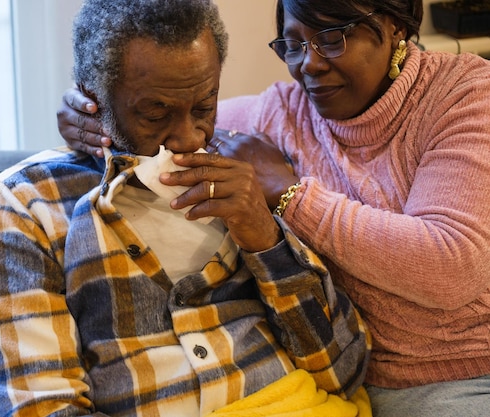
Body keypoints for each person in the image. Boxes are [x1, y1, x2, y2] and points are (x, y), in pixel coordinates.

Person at [56, 0, 490, 416]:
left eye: (334, 37)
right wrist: (91, 114)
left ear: (396, 24)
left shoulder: (464, 93)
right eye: (293, 44)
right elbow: (171, 112)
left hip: (460, 376)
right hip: (342, 382)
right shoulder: (281, 114)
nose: (310, 64)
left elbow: (452, 264)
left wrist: (290, 194)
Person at [0, 1, 372, 416]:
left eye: (204, 108)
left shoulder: (243, 170)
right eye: (155, 112)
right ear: (90, 97)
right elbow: (42, 405)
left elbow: (344, 370)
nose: (185, 138)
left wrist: (265, 239)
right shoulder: (26, 201)